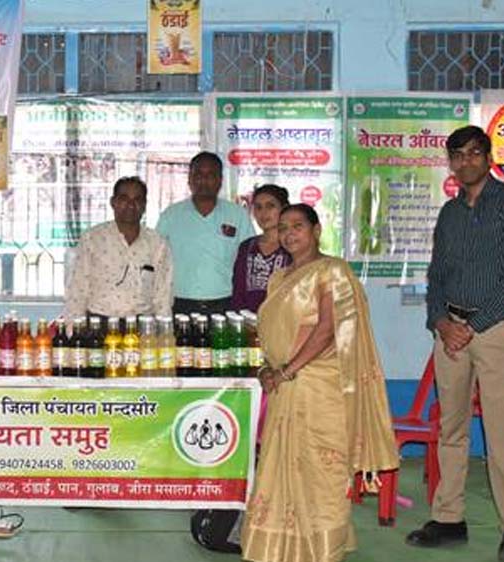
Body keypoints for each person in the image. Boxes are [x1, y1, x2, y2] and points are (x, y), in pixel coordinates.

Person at [406, 126, 504, 562]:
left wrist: (472, 326)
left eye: (474, 153)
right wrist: (441, 322)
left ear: (488, 156)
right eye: (458, 155)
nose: (466, 161)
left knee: (502, 435)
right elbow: (436, 275)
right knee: (451, 429)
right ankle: (449, 519)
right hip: (451, 333)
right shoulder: (450, 212)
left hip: (496, 330)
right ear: (451, 162)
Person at [240, 204, 398, 562]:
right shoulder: (279, 278)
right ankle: (280, 547)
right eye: (283, 228)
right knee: (280, 470)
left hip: (320, 387)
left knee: (322, 474)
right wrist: (268, 368)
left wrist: (287, 371)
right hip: (284, 386)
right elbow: (272, 332)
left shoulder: (332, 270)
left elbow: (328, 329)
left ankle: (325, 550)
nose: (289, 234)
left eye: (297, 225)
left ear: (316, 230)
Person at [156, 151, 255, 316]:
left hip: (225, 305)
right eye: (198, 174)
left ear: (220, 180)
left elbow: (248, 259)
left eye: (210, 175)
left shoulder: (238, 215)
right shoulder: (170, 215)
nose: (204, 180)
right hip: (179, 305)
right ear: (189, 179)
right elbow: (157, 260)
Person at [64, 175, 173, 321]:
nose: (131, 205)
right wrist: (73, 327)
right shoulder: (92, 239)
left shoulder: (157, 244)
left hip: (142, 326)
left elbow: (163, 296)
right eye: (124, 199)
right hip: (99, 324)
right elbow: (77, 290)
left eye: (137, 200)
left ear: (144, 205)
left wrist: (163, 330)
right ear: (113, 202)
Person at [230, 184, 292, 313]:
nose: (263, 213)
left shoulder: (293, 247)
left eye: (270, 206)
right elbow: (238, 291)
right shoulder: (247, 247)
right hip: (249, 321)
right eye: (258, 207)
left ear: (284, 209)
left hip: (285, 320)